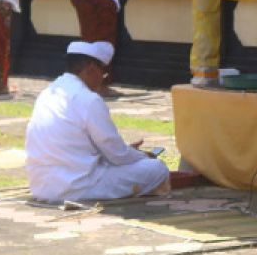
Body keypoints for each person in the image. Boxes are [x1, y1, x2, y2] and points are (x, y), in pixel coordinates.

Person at [26, 41, 170, 203]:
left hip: (41, 186)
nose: (103, 79)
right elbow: (117, 155)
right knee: (157, 169)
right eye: (103, 73)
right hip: (76, 188)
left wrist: (127, 152)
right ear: (91, 69)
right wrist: (143, 155)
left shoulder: (48, 93)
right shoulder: (88, 99)